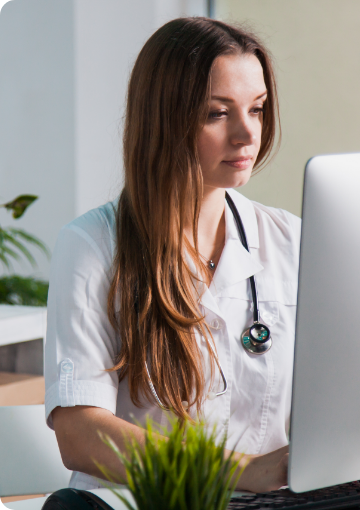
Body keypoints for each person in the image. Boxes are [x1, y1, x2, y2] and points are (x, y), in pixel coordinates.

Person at [44, 17, 301, 493]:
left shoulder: (291, 240)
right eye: (217, 113)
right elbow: (79, 433)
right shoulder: (92, 246)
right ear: (165, 120)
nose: (247, 134)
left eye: (258, 109)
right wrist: (241, 472)